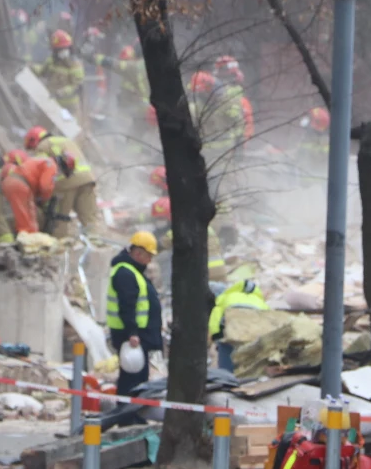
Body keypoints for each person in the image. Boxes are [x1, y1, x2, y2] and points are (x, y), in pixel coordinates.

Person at [108, 232, 163, 395]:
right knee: (132, 377)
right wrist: (132, 332)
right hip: (132, 336)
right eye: (148, 255)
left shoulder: (132, 271)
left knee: (138, 376)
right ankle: (128, 415)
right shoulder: (125, 273)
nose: (150, 260)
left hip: (137, 334)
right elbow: (127, 305)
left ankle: (133, 413)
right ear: (138, 253)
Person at [24, 127, 104, 237]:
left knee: (59, 218)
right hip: (87, 179)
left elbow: (41, 168)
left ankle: (60, 247)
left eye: (32, 148)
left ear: (34, 140)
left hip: (65, 184)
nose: (34, 150)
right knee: (89, 217)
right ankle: (97, 245)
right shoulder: (66, 140)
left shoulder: (42, 146)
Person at [150, 196, 227, 281]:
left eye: (163, 219)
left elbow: (157, 247)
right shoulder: (206, 227)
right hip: (221, 271)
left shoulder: (180, 229)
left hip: (202, 272)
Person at [208, 279, 268, 373]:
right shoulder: (260, 301)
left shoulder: (225, 297)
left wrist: (217, 336)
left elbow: (215, 318)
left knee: (226, 348)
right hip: (255, 332)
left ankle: (228, 375)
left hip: (233, 331)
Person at [33, 29, 85, 120]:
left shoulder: (75, 65)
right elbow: (42, 72)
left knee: (68, 131)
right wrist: (31, 68)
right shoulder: (51, 61)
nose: (63, 52)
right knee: (43, 129)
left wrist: (60, 92)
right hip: (52, 103)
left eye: (66, 48)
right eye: (60, 49)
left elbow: (76, 86)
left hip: (70, 106)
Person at [0, 153, 58, 235]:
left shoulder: (39, 159)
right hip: (20, 185)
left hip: (10, 182)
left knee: (19, 216)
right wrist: (44, 199)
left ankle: (16, 237)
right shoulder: (52, 165)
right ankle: (29, 242)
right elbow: (46, 187)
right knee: (28, 222)